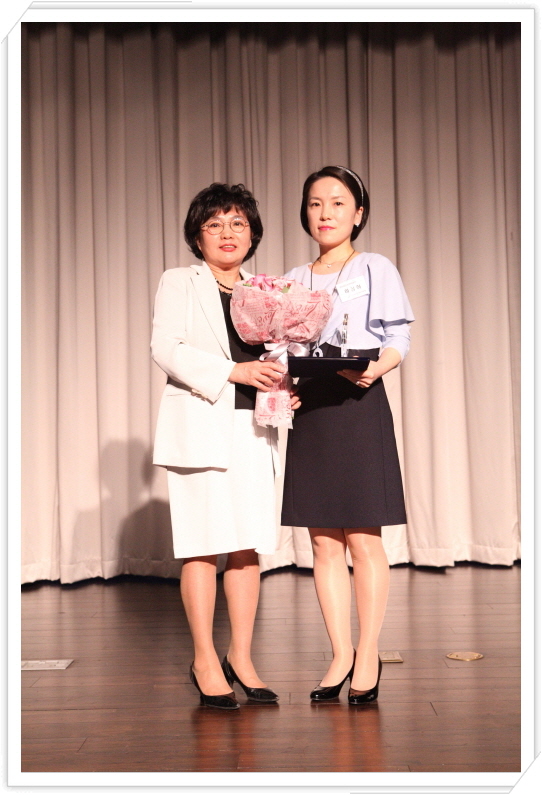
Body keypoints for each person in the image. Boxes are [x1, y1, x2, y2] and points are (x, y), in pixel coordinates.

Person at [151, 183, 298, 709]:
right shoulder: (180, 281)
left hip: (255, 426)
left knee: (246, 545)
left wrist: (289, 386)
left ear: (253, 233)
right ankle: (204, 660)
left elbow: (281, 355)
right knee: (201, 545)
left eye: (237, 223)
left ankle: (241, 656)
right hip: (199, 425)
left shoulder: (267, 289)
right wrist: (234, 371)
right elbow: (166, 348)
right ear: (198, 237)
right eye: (214, 224)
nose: (227, 233)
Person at [281, 166, 414, 704]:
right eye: (316, 203)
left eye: (338, 203)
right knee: (322, 542)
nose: (326, 213)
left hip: (358, 402)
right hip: (313, 407)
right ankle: (339, 653)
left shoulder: (374, 266)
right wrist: (286, 387)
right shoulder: (293, 277)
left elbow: (398, 337)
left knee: (363, 538)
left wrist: (376, 368)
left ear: (358, 213)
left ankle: (368, 652)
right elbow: (285, 346)